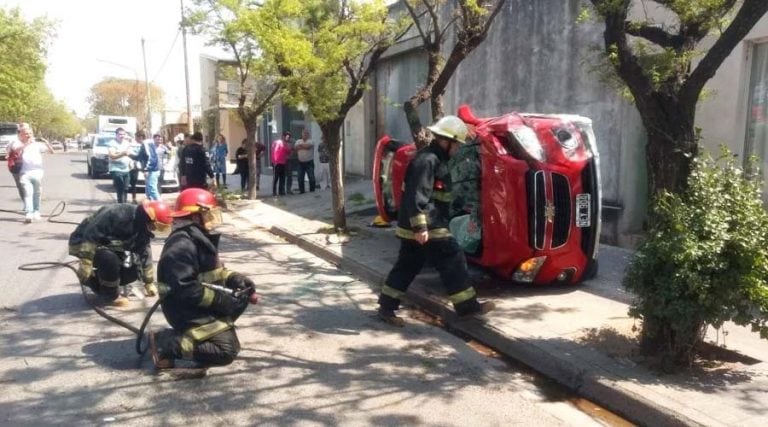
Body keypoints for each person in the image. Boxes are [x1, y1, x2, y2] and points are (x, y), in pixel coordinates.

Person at [377, 115, 495, 327]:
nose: (458, 148)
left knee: (407, 266)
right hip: (427, 224)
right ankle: (467, 308)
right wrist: (421, 226)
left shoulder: (434, 159)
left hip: (421, 224)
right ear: (446, 141)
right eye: (457, 144)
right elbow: (417, 194)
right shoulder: (428, 160)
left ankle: (386, 307)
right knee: (452, 257)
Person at [149, 188, 259, 369]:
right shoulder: (181, 245)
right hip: (184, 310)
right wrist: (221, 301)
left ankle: (213, 333)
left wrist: (235, 279)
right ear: (195, 216)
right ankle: (166, 343)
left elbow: (215, 271)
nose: (211, 219)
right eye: (207, 214)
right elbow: (185, 289)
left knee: (241, 299)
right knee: (225, 352)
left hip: (195, 305)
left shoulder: (198, 238)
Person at [68, 200, 173, 306]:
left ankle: (98, 281)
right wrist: (86, 262)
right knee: (109, 259)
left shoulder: (143, 227)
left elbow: (145, 253)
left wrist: (149, 282)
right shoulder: (116, 213)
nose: (154, 229)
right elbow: (91, 234)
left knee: (133, 271)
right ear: (148, 217)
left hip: (109, 244)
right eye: (154, 226)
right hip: (84, 244)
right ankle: (110, 295)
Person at [11, 123, 54, 222]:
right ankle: (29, 213)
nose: (28, 135)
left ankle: (36, 211)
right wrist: (27, 143)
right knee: (28, 192)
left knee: (37, 193)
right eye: (26, 133)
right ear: (21, 134)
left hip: (37, 172)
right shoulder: (17, 143)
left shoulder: (37, 144)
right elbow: (16, 150)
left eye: (30, 133)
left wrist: (47, 143)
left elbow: (51, 152)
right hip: (24, 172)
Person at [107, 128, 133, 203]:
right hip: (115, 169)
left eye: (123, 134)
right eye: (120, 134)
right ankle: (121, 206)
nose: (122, 136)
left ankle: (124, 204)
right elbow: (112, 156)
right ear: (116, 135)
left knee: (126, 188)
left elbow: (129, 154)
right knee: (120, 188)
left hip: (126, 169)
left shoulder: (127, 143)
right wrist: (122, 153)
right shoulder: (112, 143)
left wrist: (131, 162)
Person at [138, 133, 162, 200]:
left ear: (140, 138)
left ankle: (159, 203)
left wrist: (146, 170)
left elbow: (150, 159)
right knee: (148, 189)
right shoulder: (150, 145)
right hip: (152, 169)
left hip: (152, 170)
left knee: (152, 188)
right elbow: (141, 158)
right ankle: (151, 203)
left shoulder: (147, 145)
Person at [6, 123, 25, 208]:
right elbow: (14, 149)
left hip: (30, 166)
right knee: (21, 185)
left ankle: (33, 205)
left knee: (31, 185)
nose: (25, 133)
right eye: (22, 131)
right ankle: (26, 203)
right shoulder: (14, 142)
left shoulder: (32, 141)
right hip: (17, 166)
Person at [295, 128, 316, 193]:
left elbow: (308, 147)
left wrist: (301, 146)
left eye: (307, 133)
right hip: (300, 163)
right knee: (300, 178)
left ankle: (312, 191)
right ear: (302, 134)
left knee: (311, 178)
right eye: (304, 133)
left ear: (308, 135)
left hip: (309, 162)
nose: (305, 134)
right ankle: (302, 191)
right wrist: (303, 146)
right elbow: (296, 148)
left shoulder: (311, 141)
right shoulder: (298, 141)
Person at [271, 131, 292, 196]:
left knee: (282, 177)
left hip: (283, 162)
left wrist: (290, 149)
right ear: (283, 136)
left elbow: (288, 151)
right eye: (287, 137)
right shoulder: (278, 142)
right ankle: (274, 192)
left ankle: (281, 191)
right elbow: (274, 152)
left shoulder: (285, 144)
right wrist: (274, 161)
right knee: (276, 177)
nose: (288, 138)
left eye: (289, 137)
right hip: (277, 163)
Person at [127, 131, 144, 203]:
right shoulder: (130, 144)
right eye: (137, 137)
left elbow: (139, 157)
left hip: (136, 166)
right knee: (127, 183)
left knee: (133, 183)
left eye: (140, 137)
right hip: (128, 165)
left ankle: (134, 198)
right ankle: (125, 198)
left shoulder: (144, 145)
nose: (139, 138)